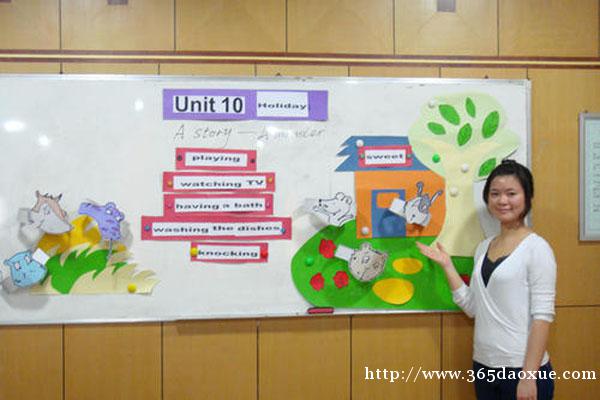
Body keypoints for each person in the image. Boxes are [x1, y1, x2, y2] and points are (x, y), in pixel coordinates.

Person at [417, 159, 556, 400]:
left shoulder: (537, 248)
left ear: (527, 197)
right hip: (484, 366)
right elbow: (473, 308)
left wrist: (528, 377)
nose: (502, 200)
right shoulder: (483, 247)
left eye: (511, 193)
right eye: (495, 194)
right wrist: (447, 266)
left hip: (522, 370)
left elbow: (542, 317)